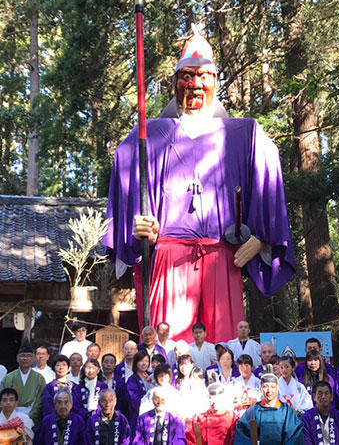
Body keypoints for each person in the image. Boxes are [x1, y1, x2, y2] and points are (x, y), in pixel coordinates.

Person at [103, 28, 296, 344]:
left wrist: (262, 236)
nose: (194, 84)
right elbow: (125, 169)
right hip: (168, 254)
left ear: (216, 81)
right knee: (167, 349)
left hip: (223, 255)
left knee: (226, 350)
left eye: (204, 75)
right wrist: (137, 225)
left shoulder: (244, 134)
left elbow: (269, 173)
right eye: (187, 75)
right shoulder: (146, 135)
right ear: (175, 82)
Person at [235, 365, 304, 444]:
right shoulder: (253, 411)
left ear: (277, 389)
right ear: (261, 388)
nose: (269, 390)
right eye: (265, 386)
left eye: (272, 387)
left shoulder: (286, 411)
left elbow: (295, 435)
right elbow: (242, 432)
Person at [0, 337, 46, 427]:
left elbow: (40, 401)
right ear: (17, 358)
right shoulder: (8, 378)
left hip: (31, 417)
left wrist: (31, 417)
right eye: (22, 356)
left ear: (33, 358)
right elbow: (1, 398)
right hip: (10, 416)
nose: (25, 358)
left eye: (28, 356)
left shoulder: (39, 379)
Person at [186, 375, 238, 444]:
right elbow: (191, 439)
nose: (214, 402)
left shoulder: (231, 418)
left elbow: (236, 439)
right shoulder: (199, 418)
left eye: (217, 398)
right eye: (211, 398)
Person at [43, 355, 87, 420]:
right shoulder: (49, 387)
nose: (61, 368)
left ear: (68, 367)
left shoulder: (74, 386)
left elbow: (79, 406)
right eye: (58, 365)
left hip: (74, 419)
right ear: (53, 368)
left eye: (64, 365)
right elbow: (47, 407)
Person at [125, 350, 156, 431]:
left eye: (146, 361)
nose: (144, 363)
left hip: (154, 417)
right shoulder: (132, 380)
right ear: (136, 363)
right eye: (141, 361)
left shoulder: (152, 376)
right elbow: (134, 401)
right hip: (138, 418)